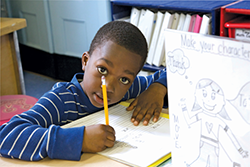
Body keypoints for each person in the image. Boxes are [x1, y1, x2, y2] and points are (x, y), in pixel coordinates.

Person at [0, 21, 168, 161]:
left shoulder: (128, 89)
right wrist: (81, 140)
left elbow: (173, 73)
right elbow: (6, 135)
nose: (109, 87)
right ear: (86, 61)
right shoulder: (61, 100)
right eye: (102, 70)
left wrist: (158, 88)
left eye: (124, 79)